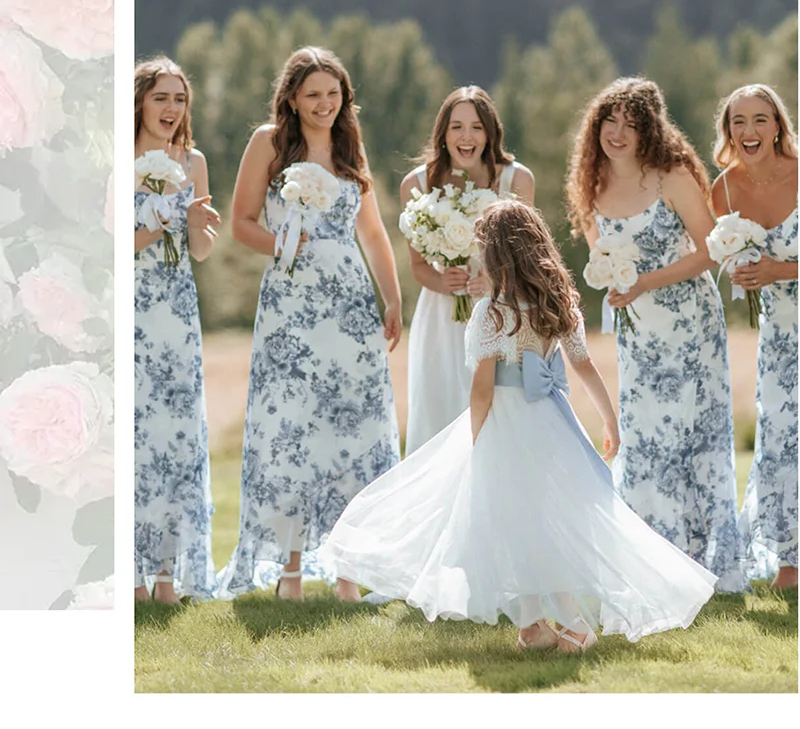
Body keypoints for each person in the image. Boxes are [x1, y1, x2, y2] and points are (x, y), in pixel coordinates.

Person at [322, 200, 718, 651]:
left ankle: (574, 624)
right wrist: (610, 419)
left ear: (495, 257)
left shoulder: (493, 312)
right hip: (550, 421)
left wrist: (476, 437)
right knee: (527, 520)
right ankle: (533, 624)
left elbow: (482, 389)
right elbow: (584, 367)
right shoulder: (559, 301)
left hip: (507, 424)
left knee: (517, 519)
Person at [218, 46, 402, 602]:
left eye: (334, 93)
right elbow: (240, 224)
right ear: (292, 98)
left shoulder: (350, 147)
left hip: (349, 308)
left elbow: (371, 232)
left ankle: (347, 574)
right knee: (292, 429)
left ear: (345, 97)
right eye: (313, 94)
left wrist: (392, 300)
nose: (325, 103)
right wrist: (284, 243)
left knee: (354, 429)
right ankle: (290, 573)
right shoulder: (267, 143)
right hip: (292, 310)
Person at [565, 77, 746, 592]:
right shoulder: (592, 183)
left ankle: (703, 560)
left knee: (690, 433)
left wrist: (645, 281)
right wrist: (617, 285)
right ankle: (652, 555)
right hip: (637, 331)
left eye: (630, 123)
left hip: (689, 322)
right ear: (596, 125)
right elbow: (603, 255)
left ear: (649, 130)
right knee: (645, 435)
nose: (617, 133)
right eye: (610, 121)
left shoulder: (671, 176)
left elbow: (710, 250)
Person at [401, 86, 535, 455]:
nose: (466, 137)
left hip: (500, 314)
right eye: (456, 127)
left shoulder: (516, 180)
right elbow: (417, 266)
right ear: (442, 134)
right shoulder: (416, 185)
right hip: (440, 319)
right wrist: (444, 281)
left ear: (490, 133)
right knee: (441, 412)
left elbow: (527, 259)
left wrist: (494, 279)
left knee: (498, 418)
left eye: (476, 127)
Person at [134, 57, 221, 604]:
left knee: (176, 433)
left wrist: (192, 226)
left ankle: (167, 575)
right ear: (141, 100)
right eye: (162, 97)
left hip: (177, 309)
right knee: (138, 434)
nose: (172, 108)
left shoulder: (194, 161)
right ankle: (133, 576)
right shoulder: (120, 158)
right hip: (134, 305)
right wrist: (157, 222)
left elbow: (203, 251)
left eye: (180, 99)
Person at [711, 84, 798, 590]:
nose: (750, 131)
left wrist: (776, 270)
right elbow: (708, 247)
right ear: (728, 131)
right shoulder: (723, 189)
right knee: (781, 440)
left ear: (778, 126)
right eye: (738, 121)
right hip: (779, 335)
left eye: (760, 119)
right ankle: (789, 563)